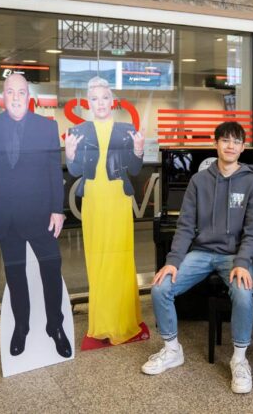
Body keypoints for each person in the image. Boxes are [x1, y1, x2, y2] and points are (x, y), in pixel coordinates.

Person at [142, 121, 253, 395]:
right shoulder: (199, 181)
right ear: (215, 143)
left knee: (244, 294)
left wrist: (243, 262)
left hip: (234, 256)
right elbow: (185, 226)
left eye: (236, 141)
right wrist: (173, 261)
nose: (230, 145)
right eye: (225, 140)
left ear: (243, 148)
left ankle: (240, 359)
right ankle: (172, 350)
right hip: (201, 253)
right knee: (160, 287)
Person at [0, 73, 72, 358]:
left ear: (28, 96)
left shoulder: (46, 127)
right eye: (10, 92)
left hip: (41, 215)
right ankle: (21, 327)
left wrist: (58, 209)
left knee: (51, 271)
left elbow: (53, 171)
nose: (16, 97)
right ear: (3, 96)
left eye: (21, 92)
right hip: (5, 218)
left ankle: (55, 326)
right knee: (15, 275)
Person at [65, 77, 147, 346]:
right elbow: (76, 172)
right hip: (94, 200)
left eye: (104, 98)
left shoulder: (126, 130)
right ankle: (101, 323)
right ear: (89, 104)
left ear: (112, 102)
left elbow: (134, 170)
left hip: (117, 199)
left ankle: (123, 321)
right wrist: (69, 155)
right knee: (97, 259)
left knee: (121, 259)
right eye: (94, 99)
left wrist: (137, 151)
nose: (100, 103)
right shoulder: (79, 131)